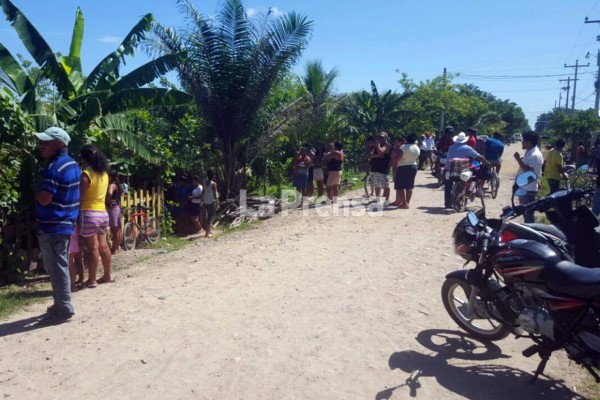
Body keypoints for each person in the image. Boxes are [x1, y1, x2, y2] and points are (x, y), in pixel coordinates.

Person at [34, 127, 80, 323]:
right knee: (57, 265)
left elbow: (45, 199)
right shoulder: (72, 164)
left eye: (46, 142)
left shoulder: (55, 168)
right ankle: (60, 303)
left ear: (60, 144)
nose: (41, 145)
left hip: (53, 225)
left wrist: (33, 190)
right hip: (65, 222)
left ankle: (64, 308)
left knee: (55, 266)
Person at [79, 144, 113, 288]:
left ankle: (91, 279)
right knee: (103, 246)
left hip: (88, 213)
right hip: (102, 213)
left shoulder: (86, 174)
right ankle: (107, 275)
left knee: (93, 248)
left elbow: (79, 196)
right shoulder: (104, 174)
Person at [444, 132, 490, 209]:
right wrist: (487, 163)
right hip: (461, 171)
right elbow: (479, 157)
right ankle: (462, 198)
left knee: (448, 186)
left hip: (448, 169)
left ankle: (447, 204)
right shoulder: (467, 148)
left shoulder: (451, 147)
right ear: (464, 140)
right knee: (470, 176)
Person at [513, 131, 544, 224]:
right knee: (525, 212)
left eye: (523, 141)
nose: (522, 142)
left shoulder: (535, 155)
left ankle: (531, 231)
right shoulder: (529, 151)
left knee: (528, 213)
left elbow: (527, 170)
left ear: (529, 142)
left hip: (528, 189)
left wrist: (518, 158)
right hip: (525, 186)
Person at [392, 133, 420, 209]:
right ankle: (407, 202)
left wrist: (395, 157)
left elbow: (398, 158)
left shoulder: (403, 147)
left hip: (403, 166)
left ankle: (404, 203)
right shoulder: (417, 147)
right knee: (409, 186)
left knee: (399, 186)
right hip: (413, 166)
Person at [369, 132, 392, 205]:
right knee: (376, 185)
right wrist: (378, 155)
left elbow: (381, 152)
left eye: (382, 137)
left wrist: (378, 144)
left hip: (383, 168)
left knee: (385, 185)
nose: (380, 139)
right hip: (375, 167)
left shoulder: (387, 145)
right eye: (379, 137)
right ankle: (377, 198)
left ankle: (386, 200)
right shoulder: (374, 146)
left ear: (386, 138)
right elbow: (370, 155)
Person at [106, 171, 123, 254]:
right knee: (118, 229)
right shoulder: (118, 185)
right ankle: (118, 246)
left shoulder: (112, 185)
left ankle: (114, 248)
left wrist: (107, 200)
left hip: (112, 209)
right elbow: (123, 192)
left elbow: (109, 193)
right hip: (117, 207)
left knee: (114, 229)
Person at [202, 170, 218, 238]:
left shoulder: (205, 183)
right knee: (210, 217)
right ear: (213, 176)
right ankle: (207, 233)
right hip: (211, 202)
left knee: (207, 217)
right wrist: (217, 202)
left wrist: (202, 201)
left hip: (205, 202)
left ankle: (208, 231)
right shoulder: (213, 184)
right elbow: (214, 194)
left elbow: (203, 193)